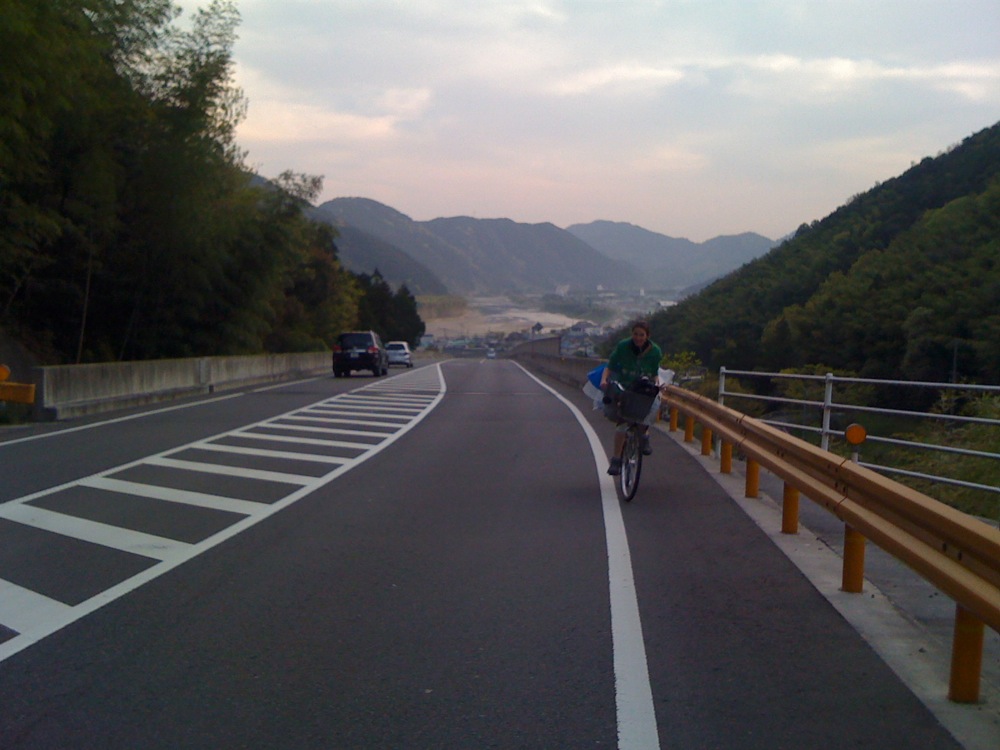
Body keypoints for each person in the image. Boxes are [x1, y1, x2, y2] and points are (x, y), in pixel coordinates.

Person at [600, 320, 663, 475]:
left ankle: (644, 436)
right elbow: (610, 366)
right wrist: (604, 380)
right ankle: (616, 460)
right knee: (623, 421)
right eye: (635, 334)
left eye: (641, 335)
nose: (638, 338)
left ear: (647, 336)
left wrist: (658, 384)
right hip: (626, 387)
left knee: (648, 410)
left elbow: (655, 373)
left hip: (643, 388)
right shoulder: (623, 346)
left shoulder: (655, 351)